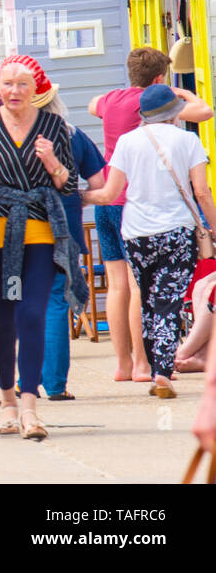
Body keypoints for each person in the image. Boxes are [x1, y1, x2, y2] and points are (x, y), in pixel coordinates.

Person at [0, 55, 82, 441]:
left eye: (23, 84)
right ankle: (7, 400)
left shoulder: (53, 125)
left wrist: (52, 162)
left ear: (37, 90)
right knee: (0, 319)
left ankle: (30, 405)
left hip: (40, 229)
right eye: (8, 83)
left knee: (32, 313)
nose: (14, 91)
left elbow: (70, 183)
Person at [84, 84, 216, 399]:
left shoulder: (128, 142)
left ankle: (151, 362)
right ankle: (161, 369)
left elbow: (110, 192)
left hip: (136, 233)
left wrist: (74, 197)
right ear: (174, 112)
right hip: (177, 232)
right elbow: (201, 191)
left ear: (143, 114)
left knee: (145, 298)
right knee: (168, 299)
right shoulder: (189, 140)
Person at [38, 91, 106, 402]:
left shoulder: (10, 137)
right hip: (64, 228)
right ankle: (54, 384)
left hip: (20, 229)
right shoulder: (73, 136)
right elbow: (99, 184)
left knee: (24, 304)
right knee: (55, 303)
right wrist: (75, 197)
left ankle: (25, 380)